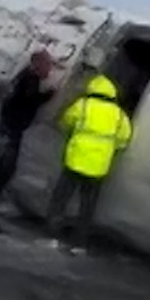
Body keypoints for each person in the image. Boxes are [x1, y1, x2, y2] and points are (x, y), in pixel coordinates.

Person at [46, 72, 132, 252]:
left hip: (75, 161)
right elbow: (124, 139)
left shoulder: (83, 105)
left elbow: (65, 122)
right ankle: (79, 243)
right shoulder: (119, 115)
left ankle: (53, 236)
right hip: (98, 168)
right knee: (87, 208)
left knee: (60, 199)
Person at [0, 48, 55, 232]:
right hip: (11, 132)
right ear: (37, 65)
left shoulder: (23, 78)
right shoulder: (30, 80)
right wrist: (48, 95)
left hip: (9, 130)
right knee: (1, 174)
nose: (49, 70)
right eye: (47, 65)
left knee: (1, 174)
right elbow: (28, 100)